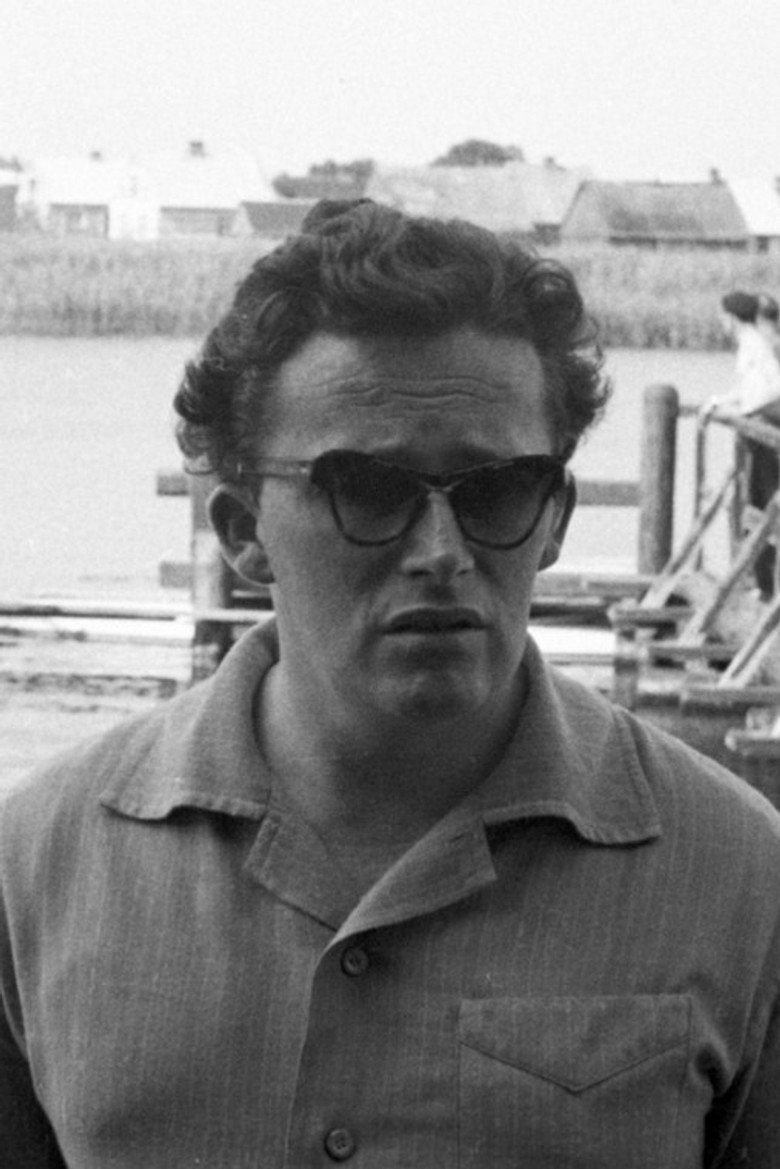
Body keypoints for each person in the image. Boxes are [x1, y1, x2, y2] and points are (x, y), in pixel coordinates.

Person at [1, 200, 779, 1168]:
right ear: (241, 530)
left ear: (554, 518)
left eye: (497, 488)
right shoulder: (35, 871)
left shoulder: (742, 879)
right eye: (367, 489)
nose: (441, 550)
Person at [703, 289, 780, 598]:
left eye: (723, 316)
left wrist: (749, 412)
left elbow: (774, 387)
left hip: (763, 435)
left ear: (732, 317)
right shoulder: (751, 344)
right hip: (756, 432)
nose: (721, 321)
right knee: (753, 503)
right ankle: (761, 584)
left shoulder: (754, 344)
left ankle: (765, 587)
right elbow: (750, 388)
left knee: (761, 503)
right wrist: (719, 402)